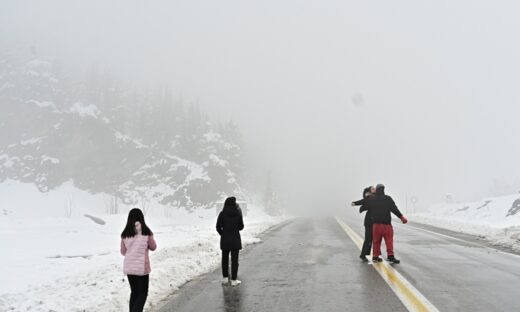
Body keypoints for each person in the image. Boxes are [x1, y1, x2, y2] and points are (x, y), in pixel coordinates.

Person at [120, 208, 157, 312]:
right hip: (141, 268)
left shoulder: (125, 233)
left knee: (134, 292)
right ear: (141, 218)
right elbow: (153, 247)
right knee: (142, 293)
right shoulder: (146, 231)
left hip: (129, 267)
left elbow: (123, 252)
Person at [364, 184, 408, 263]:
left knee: (376, 241)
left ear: (376, 190)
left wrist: (366, 197)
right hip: (386, 225)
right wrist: (401, 217)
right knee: (389, 241)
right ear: (383, 190)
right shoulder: (388, 198)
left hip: (376, 225)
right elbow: (394, 209)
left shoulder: (372, 199)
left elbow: (365, 206)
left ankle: (375, 256)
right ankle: (390, 256)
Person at [216, 196, 244, 286]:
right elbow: (241, 227)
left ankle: (225, 278)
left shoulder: (222, 214)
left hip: (225, 239)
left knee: (225, 259)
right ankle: (234, 280)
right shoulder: (238, 213)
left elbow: (218, 227)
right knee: (234, 260)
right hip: (235, 239)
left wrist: (223, 234)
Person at [351, 185, 376, 262]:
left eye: (374, 188)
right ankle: (363, 255)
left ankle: (368, 254)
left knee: (372, 239)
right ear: (369, 190)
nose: (374, 189)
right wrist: (355, 203)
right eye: (372, 189)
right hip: (369, 222)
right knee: (368, 239)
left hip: (375, 222)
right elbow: (362, 201)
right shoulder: (368, 198)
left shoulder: (377, 197)